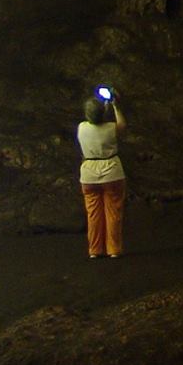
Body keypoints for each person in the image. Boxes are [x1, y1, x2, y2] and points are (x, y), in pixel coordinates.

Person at [78, 89, 127, 259]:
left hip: (88, 174)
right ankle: (113, 249)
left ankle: (95, 250)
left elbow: (94, 120)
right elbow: (122, 124)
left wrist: (103, 107)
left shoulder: (81, 128)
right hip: (112, 171)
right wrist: (114, 106)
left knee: (93, 214)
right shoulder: (111, 128)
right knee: (113, 212)